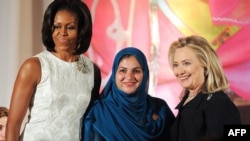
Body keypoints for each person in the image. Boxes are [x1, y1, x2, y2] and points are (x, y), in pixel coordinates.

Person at [6, 0, 101, 140]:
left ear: (81, 30)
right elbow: (13, 125)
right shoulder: (34, 66)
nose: (62, 33)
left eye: (70, 27)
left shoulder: (92, 71)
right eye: (57, 26)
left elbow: (90, 121)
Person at [82, 47, 175, 141]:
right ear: (114, 74)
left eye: (136, 71)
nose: (129, 77)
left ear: (145, 73)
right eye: (123, 70)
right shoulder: (99, 112)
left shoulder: (160, 109)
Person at [168, 35, 241, 141]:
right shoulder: (186, 102)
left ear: (205, 65)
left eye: (187, 63)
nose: (180, 71)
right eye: (176, 65)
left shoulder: (219, 103)